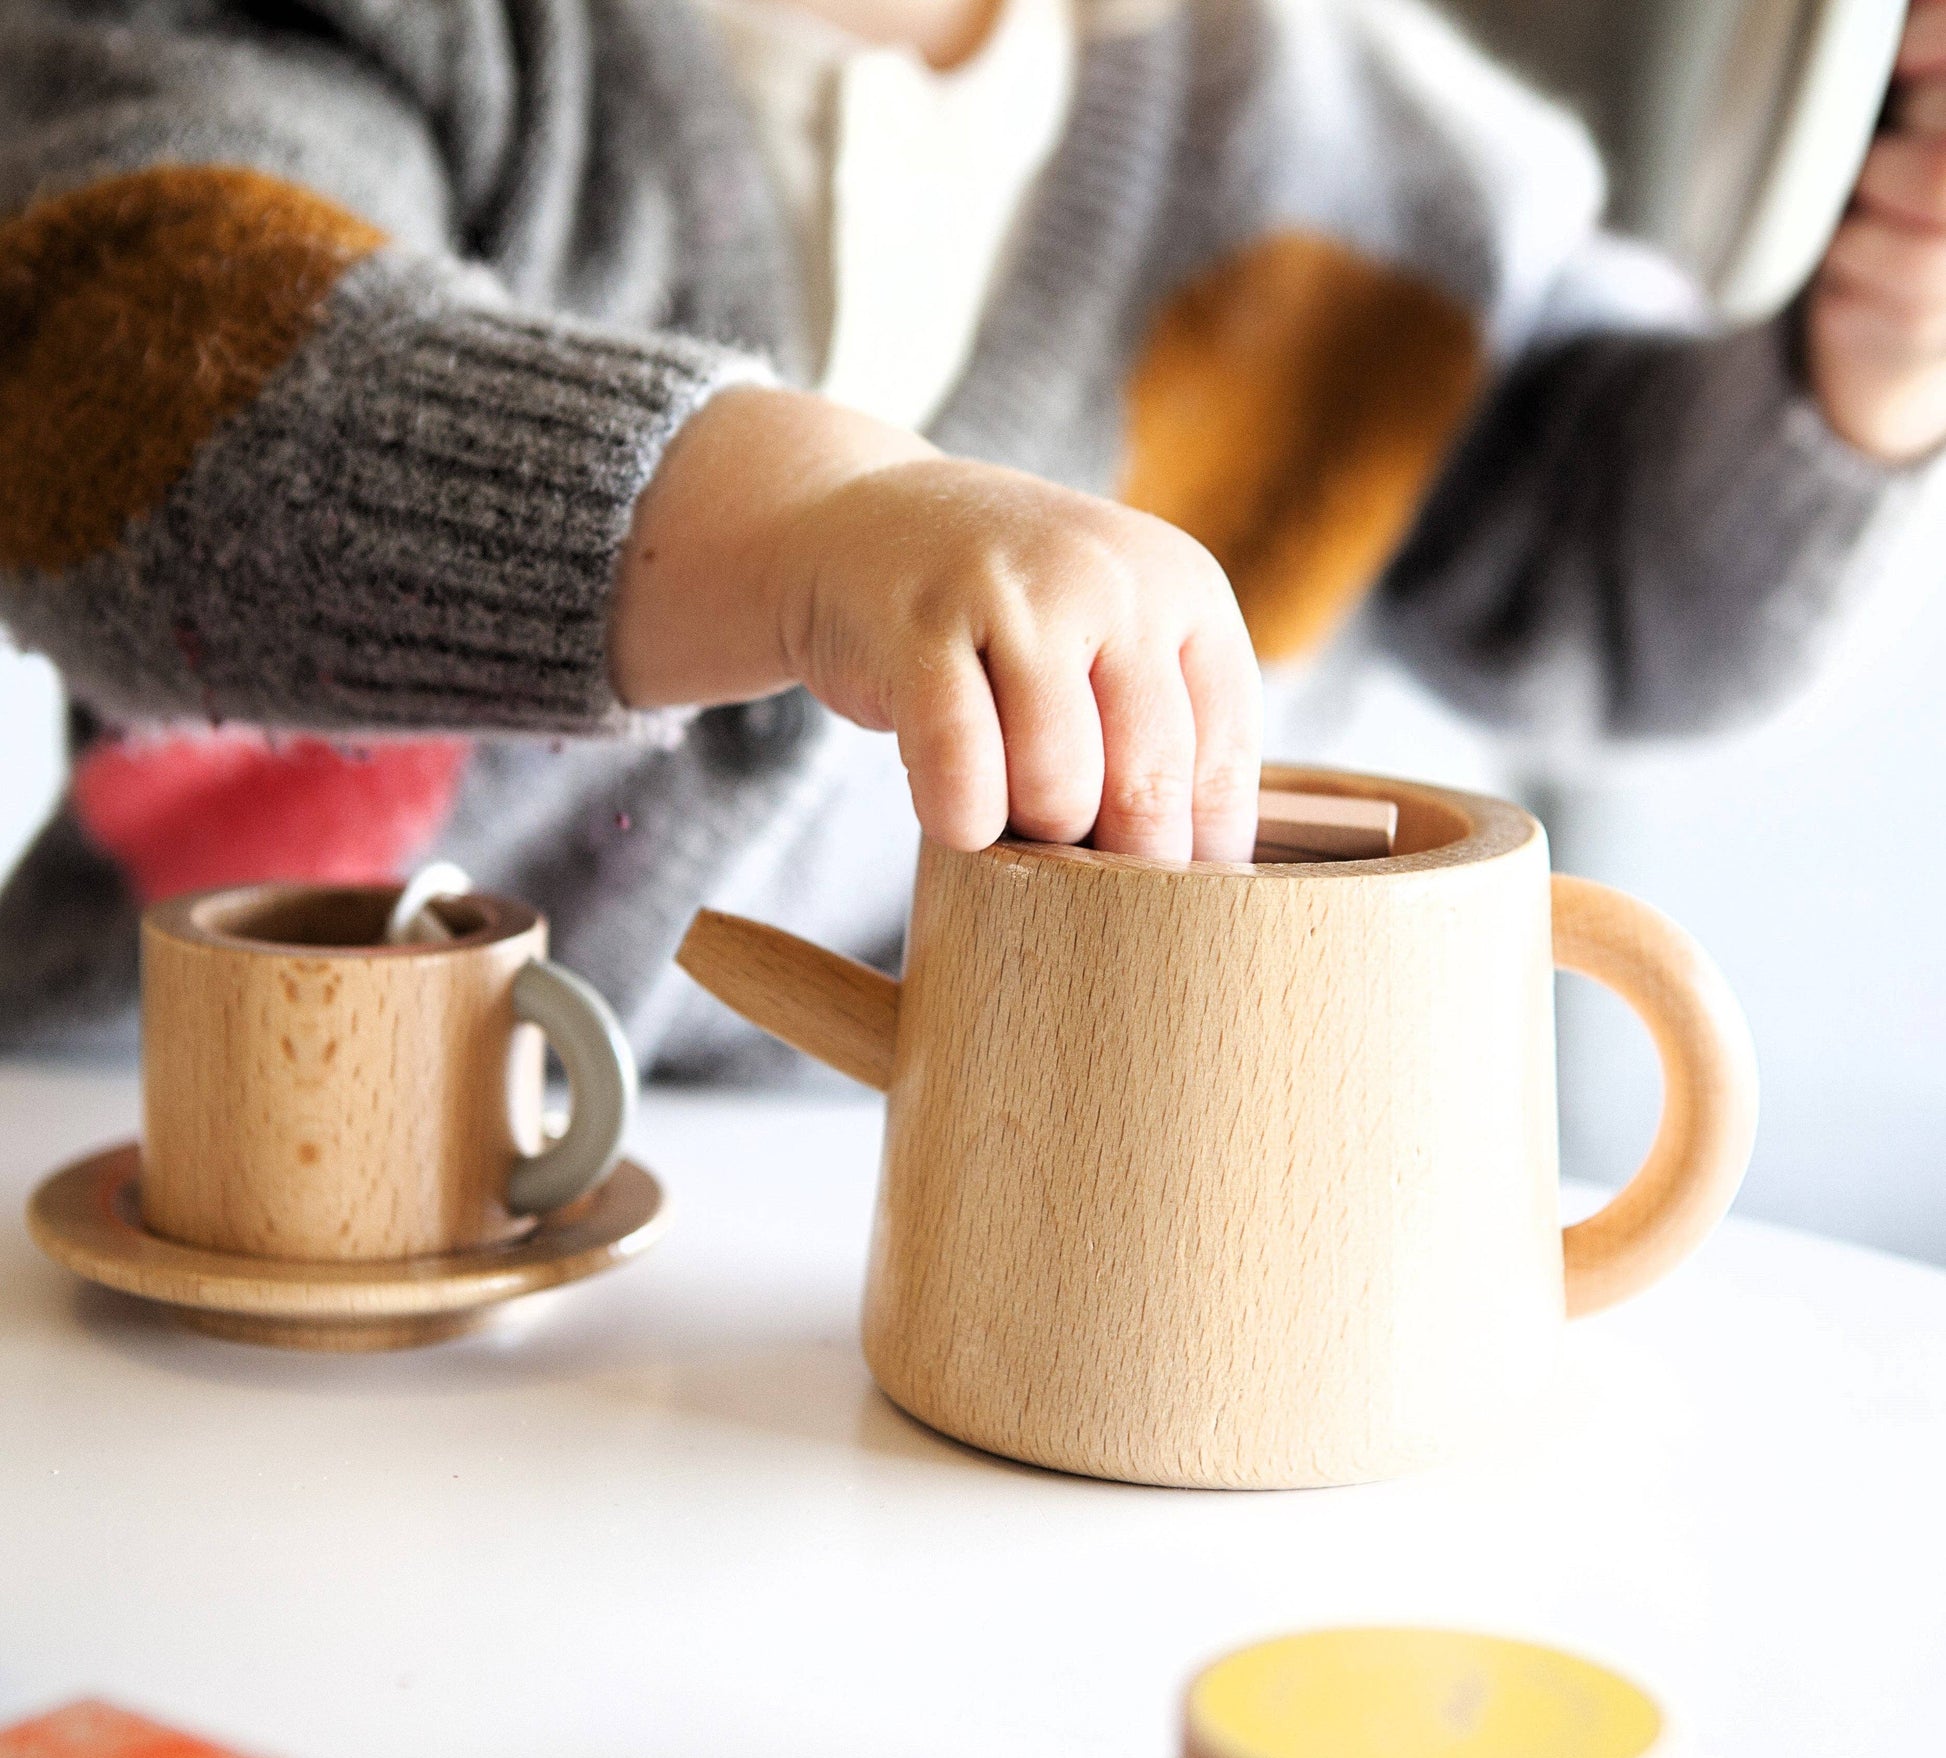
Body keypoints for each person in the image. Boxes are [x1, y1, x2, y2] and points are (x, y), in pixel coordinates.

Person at [0, 0, 1941, 1071]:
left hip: (885, 1272)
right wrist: (820, 522)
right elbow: (116, 370)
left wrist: (1860, 367)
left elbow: (1619, 584)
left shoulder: (1379, 156)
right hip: (207, 1188)